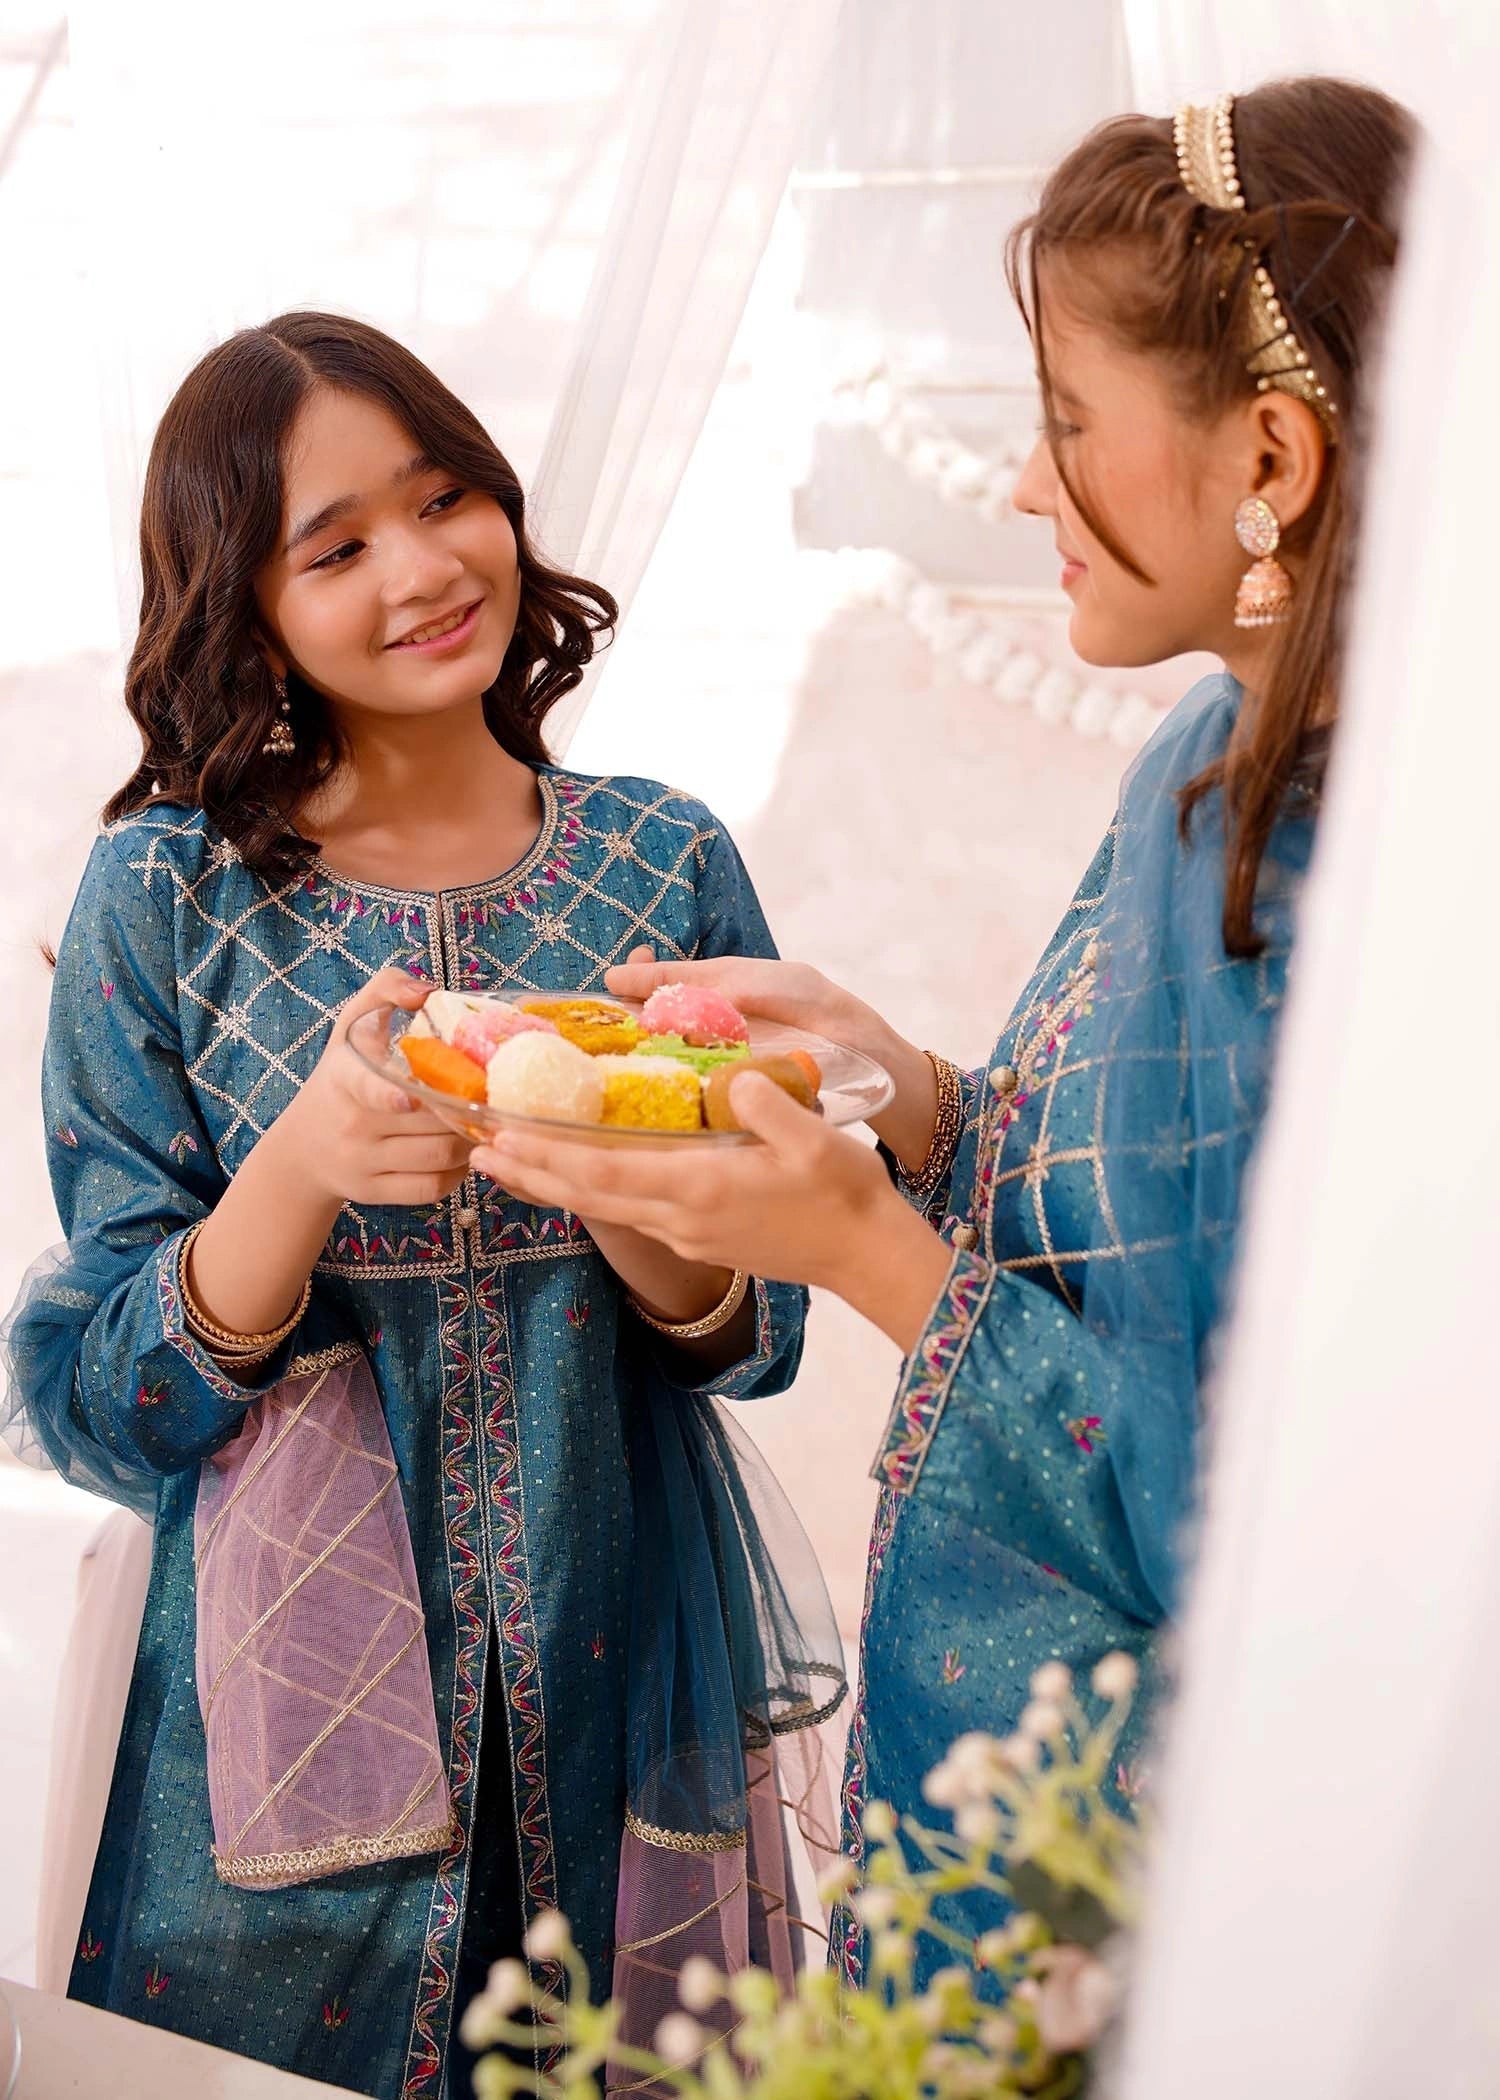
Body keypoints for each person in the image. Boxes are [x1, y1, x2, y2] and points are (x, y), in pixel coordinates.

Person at [467, 78, 1415, 1985]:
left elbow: (1256, 1509)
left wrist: (862, 1252)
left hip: (1144, 1890)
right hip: (978, 1774)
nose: (1020, 486)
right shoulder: (1203, 762)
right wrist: (912, 1102)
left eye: (1066, 420)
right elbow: (1129, 1240)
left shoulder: (1367, 894)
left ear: (1274, 457)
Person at [1, 311, 842, 2096]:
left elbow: (757, 1333)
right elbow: (106, 1400)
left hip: (621, 1658)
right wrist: (304, 1165)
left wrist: (621, 1185)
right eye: (336, 547)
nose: (422, 566)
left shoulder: (663, 857)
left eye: (445, 495)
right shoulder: (168, 895)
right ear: (247, 612)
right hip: (282, 1730)